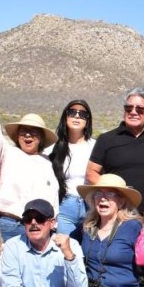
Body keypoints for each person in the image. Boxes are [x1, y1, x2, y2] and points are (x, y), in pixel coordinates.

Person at [0, 78, 59, 241]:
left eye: (33, 132)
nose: (28, 135)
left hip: (39, 228)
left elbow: (52, 197)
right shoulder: (7, 153)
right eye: (24, 131)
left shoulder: (47, 163)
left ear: (41, 138)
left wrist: (53, 226)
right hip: (10, 225)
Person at [86, 87, 144, 212]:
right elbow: (91, 173)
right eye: (128, 108)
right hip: (115, 216)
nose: (133, 112)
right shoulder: (106, 139)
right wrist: (111, 193)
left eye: (139, 109)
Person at [49, 100, 96, 236]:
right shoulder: (52, 148)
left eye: (82, 114)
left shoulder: (96, 147)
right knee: (65, 250)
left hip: (91, 205)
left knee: (88, 252)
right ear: (65, 117)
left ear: (88, 121)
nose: (76, 116)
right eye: (72, 113)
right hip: (64, 206)